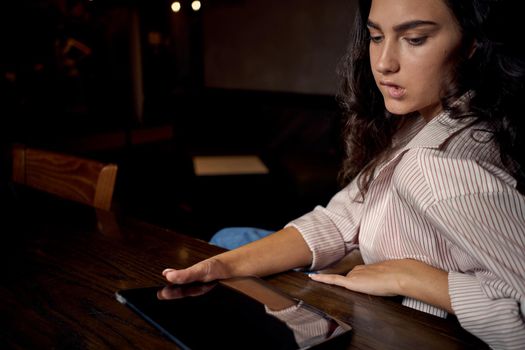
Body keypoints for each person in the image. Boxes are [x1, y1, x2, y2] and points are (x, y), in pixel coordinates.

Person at [163, 0, 525, 348]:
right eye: (376, 36)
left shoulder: (438, 167)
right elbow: (340, 219)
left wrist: (416, 278)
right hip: (366, 291)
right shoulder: (424, 121)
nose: (384, 63)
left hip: (394, 327)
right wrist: (222, 266)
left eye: (415, 39)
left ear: (473, 43)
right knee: (228, 242)